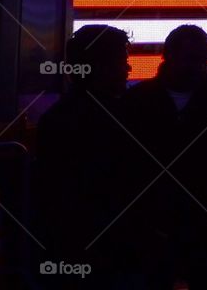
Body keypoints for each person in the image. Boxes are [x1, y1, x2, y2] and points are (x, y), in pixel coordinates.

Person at [121, 25, 207, 289]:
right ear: (169, 56)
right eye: (193, 59)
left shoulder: (138, 99)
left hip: (161, 215)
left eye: (202, 60)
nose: (199, 67)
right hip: (204, 214)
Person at [35, 24, 134, 288]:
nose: (129, 69)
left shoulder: (55, 118)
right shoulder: (123, 118)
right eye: (123, 60)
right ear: (103, 67)